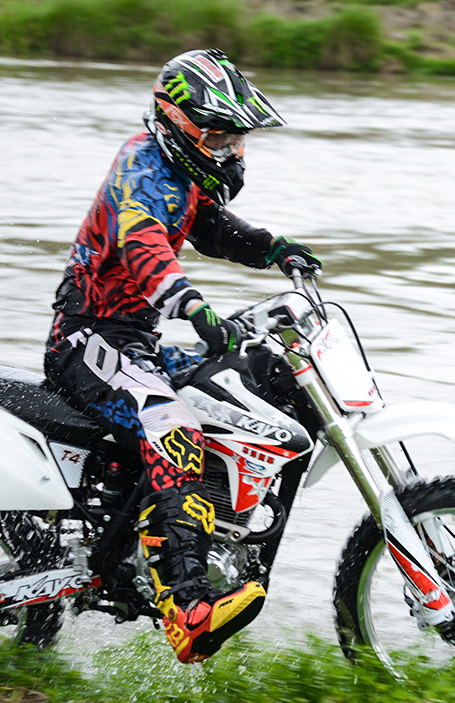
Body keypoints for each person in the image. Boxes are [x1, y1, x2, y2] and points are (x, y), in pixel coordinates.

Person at [43, 48, 321, 663]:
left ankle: (210, 534)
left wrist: (274, 248)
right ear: (178, 123)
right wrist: (193, 307)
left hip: (136, 342)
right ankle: (185, 606)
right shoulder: (140, 171)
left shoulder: (183, 174)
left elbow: (210, 228)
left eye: (237, 139)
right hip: (88, 341)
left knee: (250, 378)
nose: (231, 151)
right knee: (175, 429)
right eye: (220, 137)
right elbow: (143, 248)